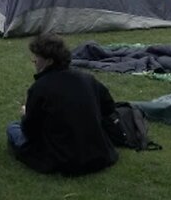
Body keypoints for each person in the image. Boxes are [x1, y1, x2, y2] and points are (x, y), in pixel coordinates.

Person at [7, 33, 118, 176]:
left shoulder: (40, 88)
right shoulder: (87, 79)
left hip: (61, 158)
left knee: (13, 128)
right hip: (98, 153)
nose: (34, 61)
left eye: (37, 57)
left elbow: (30, 131)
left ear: (49, 61)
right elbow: (109, 107)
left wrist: (26, 113)